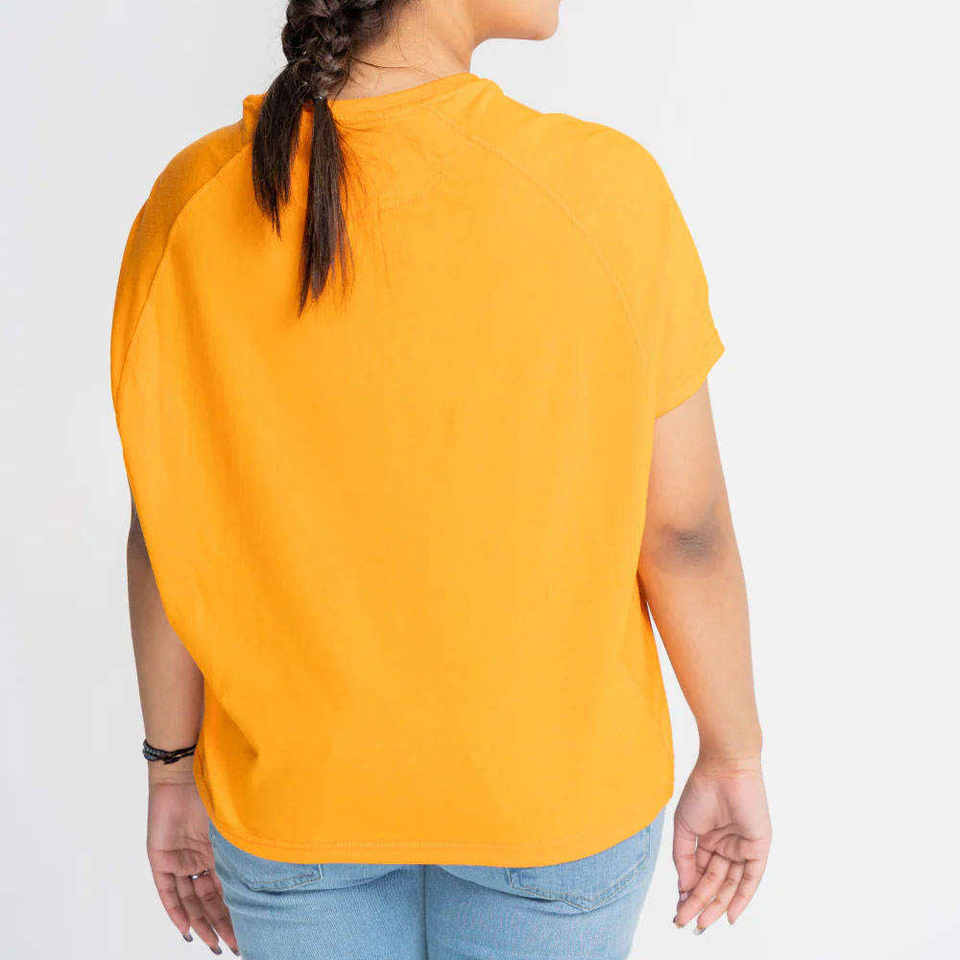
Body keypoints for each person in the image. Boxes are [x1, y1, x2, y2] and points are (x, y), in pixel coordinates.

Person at [111, 1, 771, 957]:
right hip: (552, 807)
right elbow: (684, 533)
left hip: (294, 806)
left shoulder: (192, 204)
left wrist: (171, 769)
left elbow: (168, 531)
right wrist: (733, 751)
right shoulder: (601, 191)